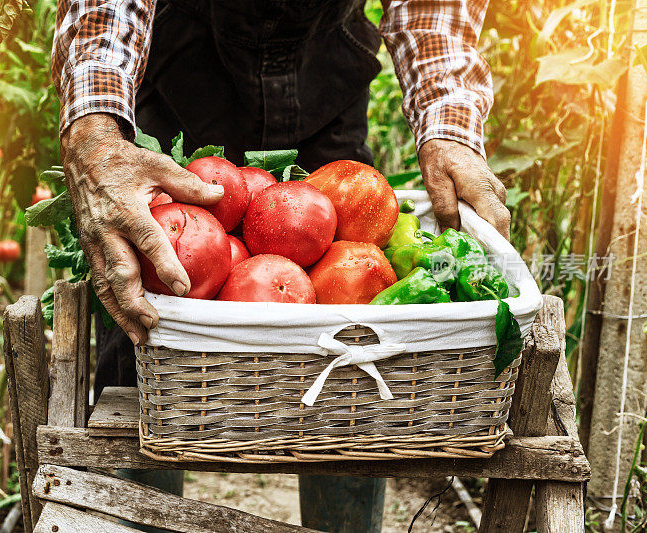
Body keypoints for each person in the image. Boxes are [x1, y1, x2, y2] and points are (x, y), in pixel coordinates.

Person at [53, 1, 508, 531]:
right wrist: (96, 135)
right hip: (181, 72)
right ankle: (136, 518)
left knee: (351, 365)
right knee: (146, 323)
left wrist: (450, 128)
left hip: (327, 78)